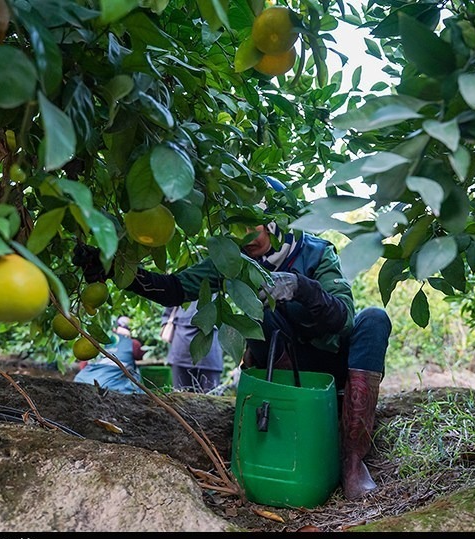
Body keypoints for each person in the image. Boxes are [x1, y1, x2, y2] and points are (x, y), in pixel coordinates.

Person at [73, 177, 392, 500]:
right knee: (255, 310)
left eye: (252, 225)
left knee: (374, 319)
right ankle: (285, 416)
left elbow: (343, 317)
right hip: (284, 363)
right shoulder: (233, 261)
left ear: (274, 223)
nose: (244, 237)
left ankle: (353, 460)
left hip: (334, 361)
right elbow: (173, 290)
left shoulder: (316, 252)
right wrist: (113, 267)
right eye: (237, 228)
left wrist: (301, 288)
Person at [73, 316, 145, 395]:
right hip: (108, 386)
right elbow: (140, 356)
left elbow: (83, 364)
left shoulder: (101, 340)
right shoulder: (133, 343)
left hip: (81, 380)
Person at [162, 302, 224, 393]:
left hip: (210, 346)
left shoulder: (218, 288)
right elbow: (168, 309)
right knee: (180, 399)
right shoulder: (181, 289)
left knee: (210, 398)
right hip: (181, 345)